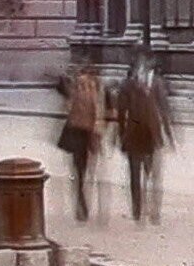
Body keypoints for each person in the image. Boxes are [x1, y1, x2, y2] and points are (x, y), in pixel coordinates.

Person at [113, 59, 173, 222]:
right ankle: (139, 210)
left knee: (149, 174)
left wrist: (168, 134)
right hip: (138, 135)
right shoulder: (131, 85)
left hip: (148, 136)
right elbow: (121, 113)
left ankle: (148, 211)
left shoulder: (149, 84)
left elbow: (164, 110)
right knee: (139, 175)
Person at [56, 60, 105, 221]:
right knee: (85, 169)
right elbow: (97, 113)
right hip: (87, 133)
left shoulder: (77, 86)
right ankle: (82, 203)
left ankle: (81, 202)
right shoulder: (93, 87)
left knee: (79, 170)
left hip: (77, 131)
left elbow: (68, 107)